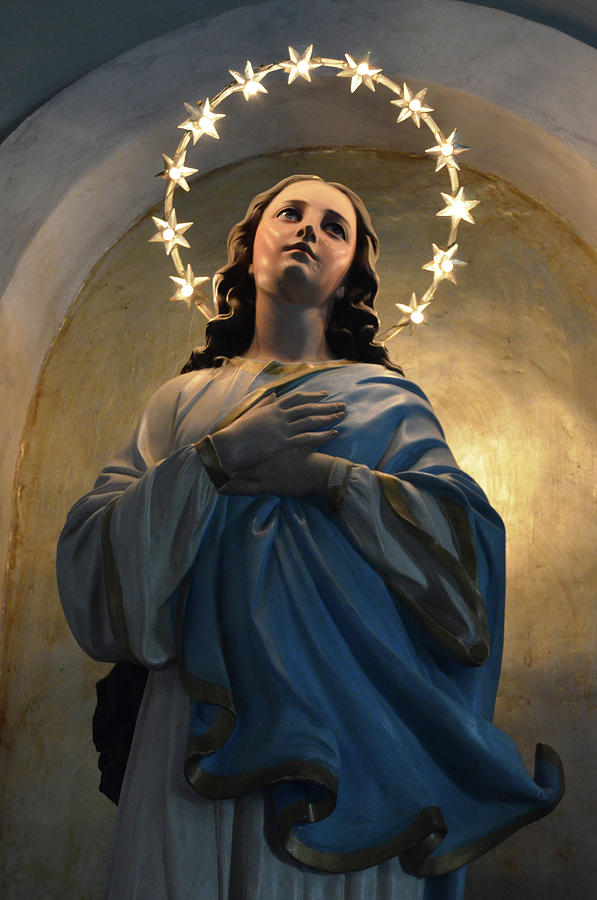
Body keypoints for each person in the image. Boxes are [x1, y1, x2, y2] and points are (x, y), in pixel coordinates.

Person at [57, 175, 563, 900]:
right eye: (289, 213)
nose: (307, 230)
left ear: (349, 271)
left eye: (334, 226)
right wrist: (217, 457)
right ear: (249, 247)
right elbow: (91, 545)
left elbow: (465, 543)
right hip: (198, 708)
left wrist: (327, 478)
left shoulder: (385, 401)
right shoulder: (182, 401)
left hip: (352, 711)